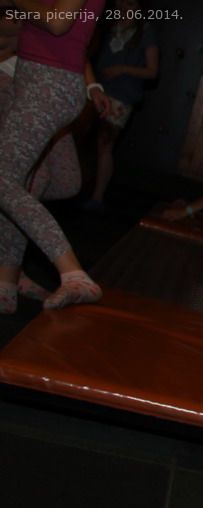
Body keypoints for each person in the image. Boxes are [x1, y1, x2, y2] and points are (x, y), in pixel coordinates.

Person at [0, 0, 106, 315]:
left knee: (4, 180)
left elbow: (59, 22)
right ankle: (5, 285)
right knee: (18, 183)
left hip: (49, 82)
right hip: (39, 77)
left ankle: (73, 274)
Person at [84, 0, 158, 211]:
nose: (124, 7)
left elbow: (152, 71)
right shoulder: (109, 24)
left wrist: (123, 69)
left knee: (105, 144)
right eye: (122, 2)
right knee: (86, 140)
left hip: (122, 95)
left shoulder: (146, 32)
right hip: (96, 89)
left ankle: (97, 197)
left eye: (131, 4)